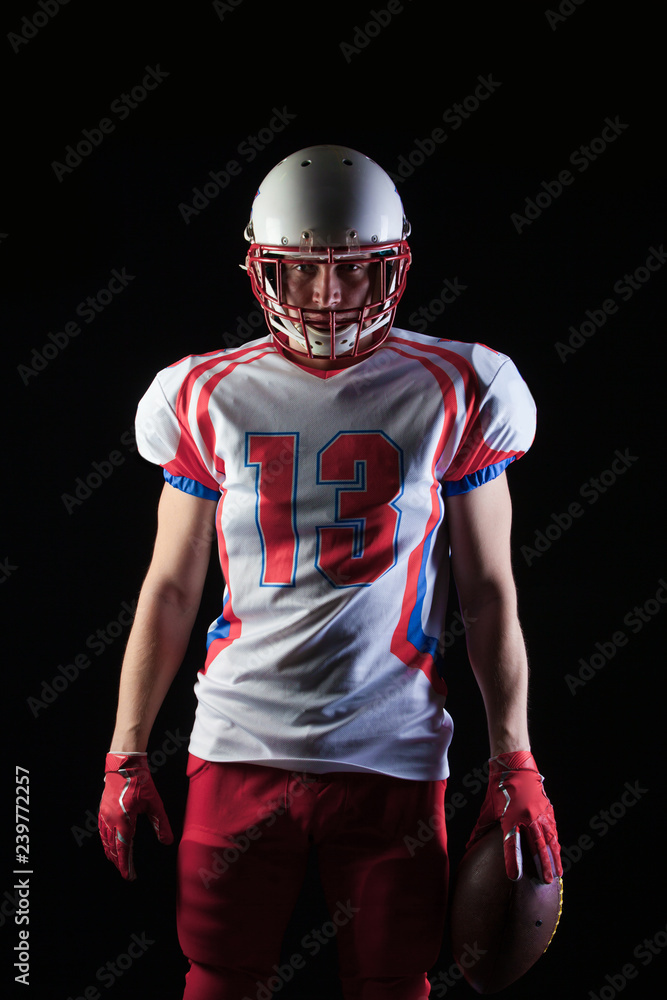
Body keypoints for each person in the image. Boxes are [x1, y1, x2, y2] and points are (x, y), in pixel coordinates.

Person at [98, 144, 562, 1000]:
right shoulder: (203, 392)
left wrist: (515, 760)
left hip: (393, 747)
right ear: (259, 268)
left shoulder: (461, 384)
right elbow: (168, 587)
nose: (325, 297)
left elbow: (489, 591)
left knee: (393, 983)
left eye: (352, 271)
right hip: (238, 740)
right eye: (302, 272)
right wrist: (126, 753)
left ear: (393, 267)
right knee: (218, 980)